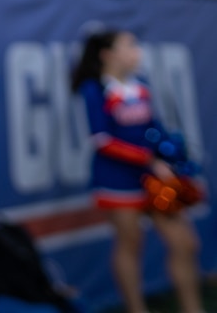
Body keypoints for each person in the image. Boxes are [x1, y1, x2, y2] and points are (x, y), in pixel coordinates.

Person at [71, 30, 204, 313]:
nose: (137, 52)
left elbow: (152, 128)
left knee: (185, 243)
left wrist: (170, 150)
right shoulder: (95, 89)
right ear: (108, 55)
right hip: (117, 180)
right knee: (130, 243)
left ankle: (192, 308)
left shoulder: (140, 86)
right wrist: (147, 158)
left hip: (155, 179)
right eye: (129, 46)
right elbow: (102, 139)